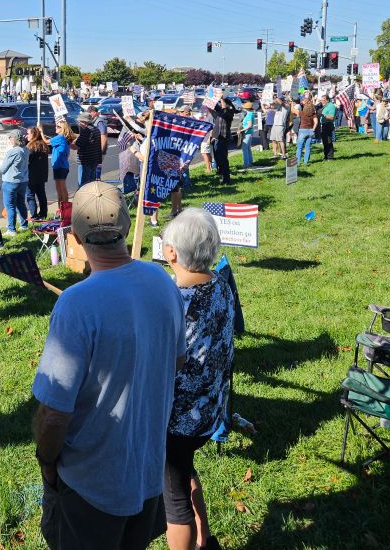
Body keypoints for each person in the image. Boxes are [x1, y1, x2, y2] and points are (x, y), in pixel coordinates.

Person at [32, 181, 185, 550]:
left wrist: (47, 463)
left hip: (91, 484)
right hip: (147, 472)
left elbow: (53, 415)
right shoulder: (162, 282)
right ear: (128, 227)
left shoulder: (76, 303)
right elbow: (176, 361)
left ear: (76, 238)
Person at [160, 209, 235, 550]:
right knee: (185, 470)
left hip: (179, 421)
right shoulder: (221, 284)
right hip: (211, 410)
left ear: (171, 253)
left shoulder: (174, 303)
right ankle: (204, 539)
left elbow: (165, 361)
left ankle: (192, 539)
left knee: (174, 502)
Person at [0, 128, 30, 235]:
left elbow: (2, 169)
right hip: (23, 181)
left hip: (11, 181)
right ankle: (24, 225)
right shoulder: (25, 150)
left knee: (10, 206)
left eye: (10, 137)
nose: (9, 139)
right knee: (21, 203)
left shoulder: (13, 151)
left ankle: (11, 229)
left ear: (14, 138)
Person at [26, 126, 51, 220]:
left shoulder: (31, 147)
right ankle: (43, 213)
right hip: (41, 174)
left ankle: (34, 215)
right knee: (41, 194)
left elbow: (27, 160)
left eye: (28, 133)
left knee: (30, 195)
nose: (26, 135)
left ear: (34, 134)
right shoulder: (43, 144)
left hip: (31, 175)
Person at [211, 97, 236, 185]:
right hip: (216, 138)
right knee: (217, 159)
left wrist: (221, 98)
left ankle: (226, 179)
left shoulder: (229, 112)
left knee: (223, 159)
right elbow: (212, 107)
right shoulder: (220, 113)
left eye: (222, 104)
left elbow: (224, 108)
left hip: (223, 137)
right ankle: (221, 175)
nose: (220, 105)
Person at [50, 120, 76, 204]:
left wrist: (41, 132)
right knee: (59, 189)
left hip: (60, 166)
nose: (56, 127)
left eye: (58, 127)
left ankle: (65, 209)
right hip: (60, 166)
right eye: (56, 126)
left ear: (63, 129)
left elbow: (47, 142)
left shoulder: (60, 137)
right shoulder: (63, 138)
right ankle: (61, 209)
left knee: (61, 189)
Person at [75, 112, 103, 187]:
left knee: (83, 184)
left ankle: (82, 198)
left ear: (84, 122)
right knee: (91, 183)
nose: (79, 124)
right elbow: (97, 145)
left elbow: (77, 146)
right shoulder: (96, 129)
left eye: (80, 122)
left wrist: (67, 142)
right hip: (94, 160)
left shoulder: (86, 131)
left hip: (85, 161)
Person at [296, 95, 318, 165]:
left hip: (302, 130)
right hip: (310, 131)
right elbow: (316, 122)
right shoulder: (313, 114)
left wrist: (292, 102)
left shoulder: (302, 113)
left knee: (299, 147)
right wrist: (313, 129)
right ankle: (306, 162)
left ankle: (298, 162)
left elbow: (293, 110)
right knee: (307, 147)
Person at [319, 94, 337, 160]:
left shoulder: (331, 106)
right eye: (321, 100)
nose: (321, 101)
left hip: (328, 125)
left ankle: (330, 157)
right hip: (323, 125)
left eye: (323, 100)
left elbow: (332, 117)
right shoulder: (325, 106)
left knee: (328, 141)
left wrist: (323, 115)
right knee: (324, 141)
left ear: (327, 100)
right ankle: (326, 156)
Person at [238, 102, 255, 169]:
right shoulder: (250, 113)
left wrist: (241, 131)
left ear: (246, 108)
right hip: (249, 133)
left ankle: (246, 164)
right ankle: (250, 162)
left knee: (244, 148)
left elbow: (249, 125)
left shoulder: (249, 115)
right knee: (248, 148)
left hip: (247, 133)